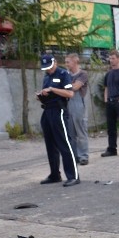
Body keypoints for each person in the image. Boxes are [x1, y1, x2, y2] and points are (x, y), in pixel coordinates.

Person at [37, 53, 80, 187]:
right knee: (50, 145)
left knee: (64, 143)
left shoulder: (63, 74)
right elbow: (49, 92)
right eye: (46, 68)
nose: (48, 70)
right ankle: (54, 174)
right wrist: (41, 95)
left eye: (49, 67)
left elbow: (70, 93)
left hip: (59, 110)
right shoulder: (47, 77)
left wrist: (52, 89)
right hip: (47, 110)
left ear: (54, 62)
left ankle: (73, 176)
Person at [64, 53, 90, 165]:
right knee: (71, 133)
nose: (66, 64)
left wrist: (66, 86)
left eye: (68, 62)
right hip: (67, 104)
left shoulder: (83, 74)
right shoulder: (66, 74)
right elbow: (69, 86)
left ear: (75, 61)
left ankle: (83, 156)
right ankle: (74, 156)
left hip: (79, 104)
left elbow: (75, 87)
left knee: (81, 131)